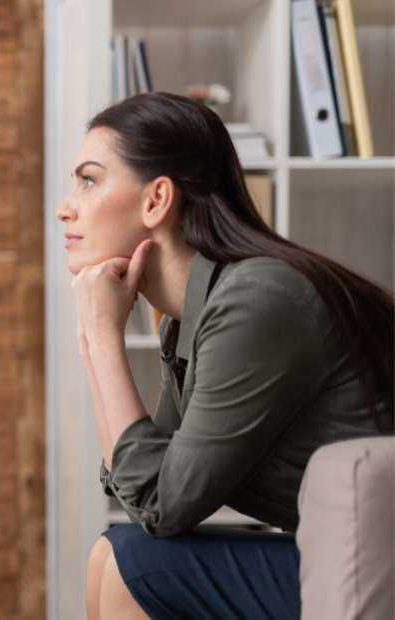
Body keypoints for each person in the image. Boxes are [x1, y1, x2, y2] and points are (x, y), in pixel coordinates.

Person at [59, 92, 393, 620]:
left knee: (136, 566)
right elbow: (146, 491)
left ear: (156, 200)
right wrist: (94, 338)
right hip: (349, 555)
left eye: (89, 179)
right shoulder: (193, 314)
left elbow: (162, 506)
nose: (65, 207)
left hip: (382, 567)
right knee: (112, 554)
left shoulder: (257, 299)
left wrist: (101, 341)